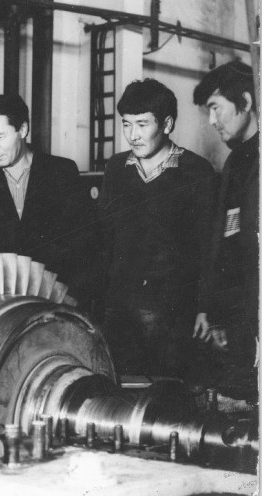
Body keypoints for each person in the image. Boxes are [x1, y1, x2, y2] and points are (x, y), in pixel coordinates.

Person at [98, 79, 215, 378]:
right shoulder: (116, 168)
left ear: (167, 124)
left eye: (142, 124)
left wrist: (206, 308)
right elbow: (103, 240)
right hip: (120, 311)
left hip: (173, 314)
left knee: (168, 390)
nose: (132, 135)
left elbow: (209, 248)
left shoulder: (196, 171)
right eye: (126, 124)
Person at [0, 94, 94, 300]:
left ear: (23, 130)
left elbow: (85, 246)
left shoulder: (61, 172)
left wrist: (72, 300)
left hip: (55, 299)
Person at [193, 61, 259, 390]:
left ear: (245, 102)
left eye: (216, 107)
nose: (212, 121)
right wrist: (211, 310)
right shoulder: (235, 162)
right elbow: (223, 240)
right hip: (238, 319)